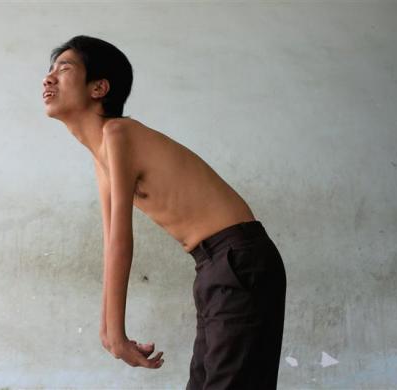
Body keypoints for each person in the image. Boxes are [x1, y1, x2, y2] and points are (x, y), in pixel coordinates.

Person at [42, 35, 287, 389]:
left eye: (63, 69)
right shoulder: (101, 157)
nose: (48, 78)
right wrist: (109, 332)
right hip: (214, 266)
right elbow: (110, 240)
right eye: (49, 70)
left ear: (99, 87)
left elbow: (122, 241)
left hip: (238, 259)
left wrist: (117, 332)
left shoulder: (117, 133)